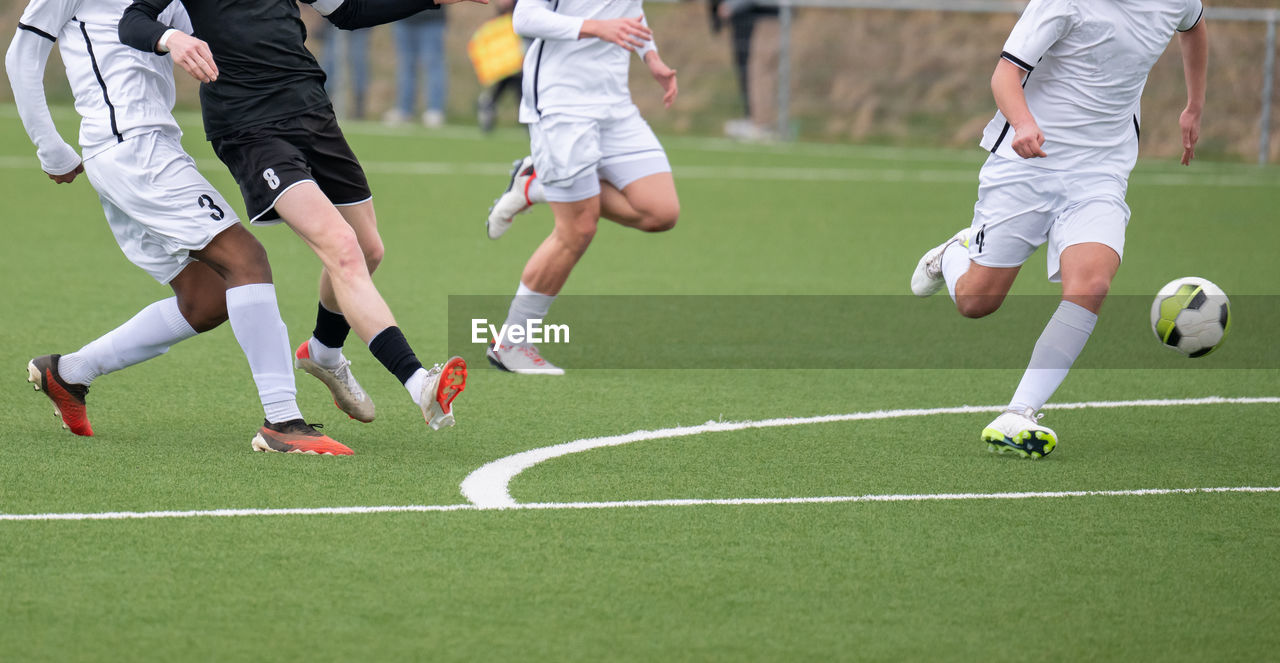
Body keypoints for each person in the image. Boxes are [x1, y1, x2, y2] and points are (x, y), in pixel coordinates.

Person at [119, 0, 485, 431]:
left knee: (367, 249)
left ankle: (324, 352)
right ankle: (419, 382)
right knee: (342, 247)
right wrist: (171, 37)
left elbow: (347, 12)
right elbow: (132, 20)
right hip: (250, 126)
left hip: (311, 111)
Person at [7, 0, 352, 455]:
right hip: (132, 148)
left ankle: (69, 372)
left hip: (146, 146)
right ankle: (283, 421)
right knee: (246, 260)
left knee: (206, 300)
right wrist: (49, 147)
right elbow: (22, 54)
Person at [909, 0, 1208, 458]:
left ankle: (1019, 413)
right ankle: (953, 252)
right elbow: (1004, 75)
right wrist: (1024, 124)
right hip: (1027, 163)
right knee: (976, 301)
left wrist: (1194, 106)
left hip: (1100, 171)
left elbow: (1195, 27)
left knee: (1091, 284)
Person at [482, 0, 680, 375]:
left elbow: (629, 10)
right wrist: (594, 27)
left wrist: (650, 56)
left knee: (661, 211)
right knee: (577, 228)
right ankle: (511, 343)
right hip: (562, 103)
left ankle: (540, 182)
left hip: (615, 103)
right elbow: (524, 17)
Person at [708, 0, 776, 140]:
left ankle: (761, 124)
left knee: (760, 70)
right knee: (756, 69)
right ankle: (756, 121)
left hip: (768, 16)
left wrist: (731, 5)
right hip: (762, 16)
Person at [385, 7, 449, 128]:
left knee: (433, 64)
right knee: (405, 64)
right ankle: (404, 109)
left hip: (432, 17)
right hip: (402, 16)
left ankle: (434, 109)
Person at [470, 0, 524, 133]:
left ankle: (490, 102)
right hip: (512, 19)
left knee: (514, 74)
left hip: (522, 17)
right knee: (513, 71)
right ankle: (525, 114)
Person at [318, 20, 372, 120]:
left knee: (358, 60)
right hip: (335, 19)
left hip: (358, 19)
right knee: (330, 60)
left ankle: (359, 106)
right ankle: (323, 102)